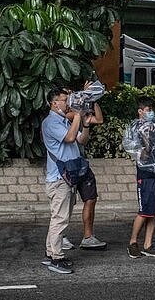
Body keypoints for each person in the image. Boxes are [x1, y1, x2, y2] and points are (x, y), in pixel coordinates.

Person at [40, 87, 82, 275]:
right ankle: (56, 257)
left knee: (58, 217)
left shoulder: (63, 120)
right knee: (60, 219)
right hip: (59, 179)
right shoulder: (51, 122)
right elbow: (70, 137)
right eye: (64, 100)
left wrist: (83, 122)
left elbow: (81, 140)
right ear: (54, 103)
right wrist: (79, 116)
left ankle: (51, 252)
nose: (67, 103)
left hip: (65, 177)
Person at [123, 97, 155, 259]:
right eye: (147, 110)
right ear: (140, 111)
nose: (151, 112)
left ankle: (148, 244)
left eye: (152, 109)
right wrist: (146, 138)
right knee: (144, 211)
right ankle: (133, 242)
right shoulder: (135, 128)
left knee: (154, 211)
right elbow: (141, 153)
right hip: (146, 173)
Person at [65, 95, 107, 251]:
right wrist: (79, 111)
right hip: (66, 166)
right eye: (67, 96)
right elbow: (70, 133)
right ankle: (60, 236)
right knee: (66, 203)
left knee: (90, 198)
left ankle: (88, 237)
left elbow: (99, 119)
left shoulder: (79, 112)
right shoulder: (63, 116)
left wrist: (93, 99)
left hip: (80, 163)